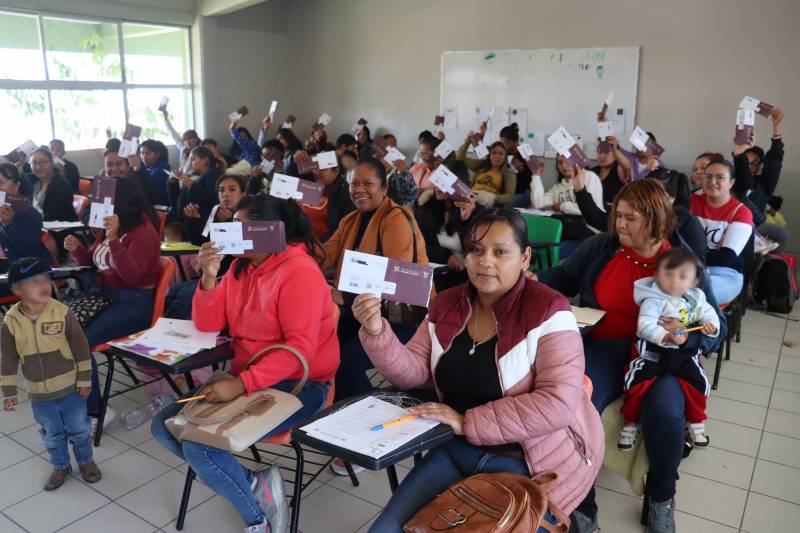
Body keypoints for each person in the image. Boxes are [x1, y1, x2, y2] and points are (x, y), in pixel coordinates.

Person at [354, 208, 603, 532]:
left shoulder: (549, 310)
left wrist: (465, 421)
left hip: (531, 461)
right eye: (476, 250)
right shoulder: (447, 304)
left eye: (500, 252)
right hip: (459, 450)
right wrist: (376, 332)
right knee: (384, 529)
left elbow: (556, 404)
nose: (485, 261)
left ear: (525, 258)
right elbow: (413, 371)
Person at [537, 179, 724, 533]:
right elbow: (562, 276)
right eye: (618, 215)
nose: (620, 224)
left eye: (630, 217)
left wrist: (685, 339)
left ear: (655, 220)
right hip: (605, 347)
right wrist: (528, 277)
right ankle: (582, 504)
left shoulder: (682, 262)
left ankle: (661, 497)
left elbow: (718, 327)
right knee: (572, 403)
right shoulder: (603, 247)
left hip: (660, 354)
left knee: (666, 414)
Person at [151, 194, 340, 533]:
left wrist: (242, 384)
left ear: (269, 229)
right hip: (248, 379)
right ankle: (255, 483)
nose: (232, 233)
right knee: (164, 426)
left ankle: (258, 520)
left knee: (200, 446)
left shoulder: (299, 271)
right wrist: (208, 277)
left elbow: (299, 349)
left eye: (242, 226)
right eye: (232, 225)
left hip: (301, 384)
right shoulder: (241, 267)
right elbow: (208, 324)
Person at [321, 159, 430, 404]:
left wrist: (344, 296)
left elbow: (399, 279)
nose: (359, 189)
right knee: (323, 352)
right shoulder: (350, 220)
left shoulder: (397, 218)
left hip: (402, 315)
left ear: (384, 188)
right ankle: (346, 410)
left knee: (343, 363)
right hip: (362, 311)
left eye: (367, 183)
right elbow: (324, 255)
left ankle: (370, 415)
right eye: (354, 184)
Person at [63, 177, 161, 426]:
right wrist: (77, 250)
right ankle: (79, 395)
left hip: (134, 302)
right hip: (106, 297)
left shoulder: (142, 231)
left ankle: (97, 412)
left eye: (103, 199)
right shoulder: (114, 226)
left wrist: (114, 238)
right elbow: (97, 261)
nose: (97, 204)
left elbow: (132, 277)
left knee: (79, 342)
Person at [1, 258, 102, 490]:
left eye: (46, 278)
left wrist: (84, 379)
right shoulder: (11, 321)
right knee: (51, 433)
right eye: (34, 281)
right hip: (39, 394)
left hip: (71, 389)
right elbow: (8, 358)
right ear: (17, 289)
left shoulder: (63, 312)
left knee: (80, 429)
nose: (44, 284)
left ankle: (86, 461)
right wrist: (8, 391)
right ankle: (61, 465)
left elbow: (81, 348)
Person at [619, 248, 719, 452]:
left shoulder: (697, 298)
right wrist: (665, 336)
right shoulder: (654, 298)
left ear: (693, 282)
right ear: (656, 275)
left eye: (682, 276)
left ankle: (696, 421)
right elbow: (644, 326)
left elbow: (710, 315)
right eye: (668, 274)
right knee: (635, 383)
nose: (674, 281)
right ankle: (630, 422)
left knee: (699, 383)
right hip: (652, 352)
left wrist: (711, 326)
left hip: (683, 353)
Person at [690, 159, 753, 305]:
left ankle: (711, 328)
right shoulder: (690, 201)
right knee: (659, 291)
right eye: (708, 176)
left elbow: (726, 257)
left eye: (720, 177)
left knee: (691, 297)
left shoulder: (741, 212)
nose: (712, 181)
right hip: (688, 268)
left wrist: (687, 253)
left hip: (725, 274)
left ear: (731, 182)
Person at [415, 160, 482, 289]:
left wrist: (466, 220)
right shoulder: (427, 208)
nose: (438, 187)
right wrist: (446, 256)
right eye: (437, 180)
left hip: (466, 276)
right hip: (436, 271)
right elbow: (420, 244)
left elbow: (478, 249)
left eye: (444, 182)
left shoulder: (476, 212)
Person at [532, 155, 604, 258]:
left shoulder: (590, 177)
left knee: (551, 255)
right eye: (560, 162)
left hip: (588, 231)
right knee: (537, 249)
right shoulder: (558, 188)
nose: (564, 166)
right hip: (567, 229)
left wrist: (562, 206)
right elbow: (538, 202)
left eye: (567, 161)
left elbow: (592, 209)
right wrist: (536, 176)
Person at [0, 164, 52, 274]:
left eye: (1, 183)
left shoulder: (29, 212)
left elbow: (31, 251)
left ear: (16, 185)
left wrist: (8, 223)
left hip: (18, 273)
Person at [27, 147, 76, 259]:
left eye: (43, 162)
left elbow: (52, 218)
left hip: (55, 235)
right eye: (34, 162)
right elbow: (11, 179)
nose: (38, 166)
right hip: (37, 229)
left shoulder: (61, 185)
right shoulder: (33, 181)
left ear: (52, 162)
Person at [300, 153, 356, 242]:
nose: (317, 172)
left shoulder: (346, 196)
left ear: (336, 170)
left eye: (322, 169)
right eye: (315, 168)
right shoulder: (313, 187)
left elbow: (345, 232)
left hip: (324, 246)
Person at [574, 139, 625, 229]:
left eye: (606, 153)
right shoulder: (593, 171)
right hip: (589, 212)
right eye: (599, 153)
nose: (602, 156)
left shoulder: (620, 171)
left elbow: (628, 168)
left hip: (609, 217)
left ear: (615, 154)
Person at [458, 140, 516, 207]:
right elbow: (461, 159)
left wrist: (491, 198)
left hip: (489, 204)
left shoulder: (509, 173)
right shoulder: (482, 165)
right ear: (490, 155)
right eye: (494, 153)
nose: (497, 156)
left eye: (501, 154)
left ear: (505, 157)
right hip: (471, 197)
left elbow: (509, 196)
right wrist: (467, 142)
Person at [178, 146, 224, 223]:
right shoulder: (204, 176)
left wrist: (191, 185)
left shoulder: (212, 174)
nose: (189, 163)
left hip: (204, 223)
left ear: (205, 160)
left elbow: (210, 201)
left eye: (193, 159)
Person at [162, 110, 200, 175]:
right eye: (185, 140)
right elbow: (172, 133)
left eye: (190, 138)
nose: (187, 142)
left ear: (196, 139)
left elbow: (197, 170)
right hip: (180, 177)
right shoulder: (183, 148)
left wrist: (183, 174)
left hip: (192, 178)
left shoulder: (199, 152)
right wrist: (165, 118)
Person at [139, 139, 172, 206]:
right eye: (142, 153)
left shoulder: (162, 168)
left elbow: (146, 188)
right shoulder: (149, 166)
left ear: (157, 154)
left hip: (161, 207)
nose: (144, 157)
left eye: (148, 153)